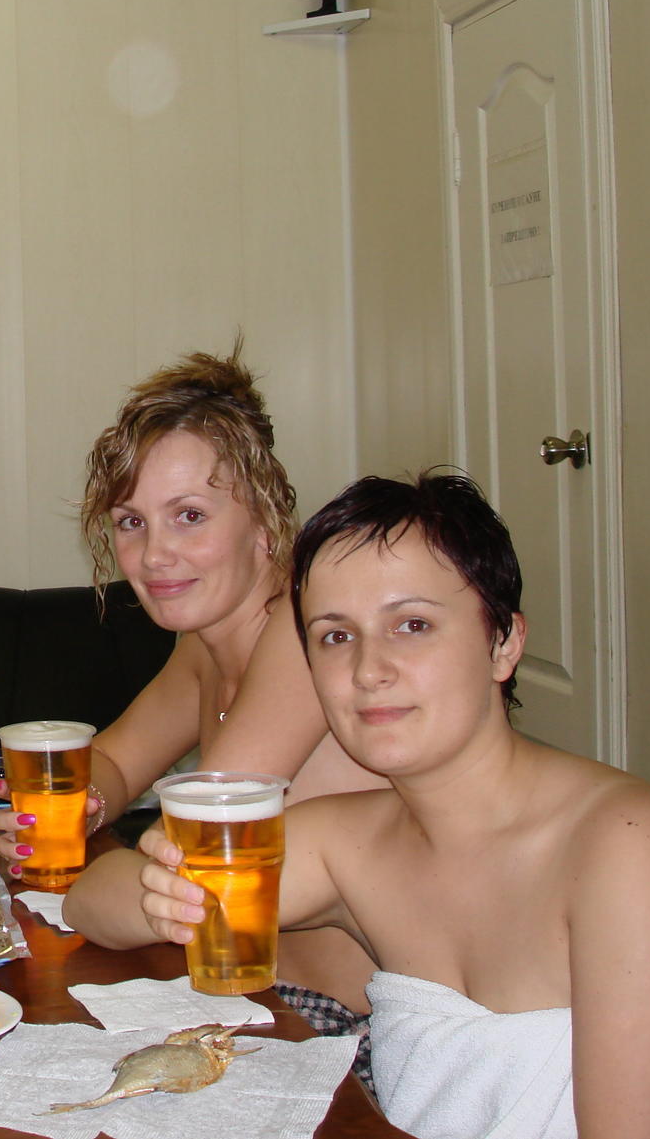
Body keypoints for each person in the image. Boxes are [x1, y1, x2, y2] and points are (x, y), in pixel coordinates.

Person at [122, 472, 650, 1138]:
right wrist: (161, 890)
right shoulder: (354, 838)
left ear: (505, 643)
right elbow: (100, 904)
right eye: (336, 636)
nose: (369, 669)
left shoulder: (628, 847)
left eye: (412, 625)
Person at [26, 349, 383, 1016]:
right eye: (132, 522)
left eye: (189, 515)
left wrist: (99, 878)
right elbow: (113, 762)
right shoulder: (202, 643)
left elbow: (186, 867)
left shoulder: (307, 631)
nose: (154, 554)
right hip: (253, 1001)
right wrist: (74, 808)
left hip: (348, 1031)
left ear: (265, 522)